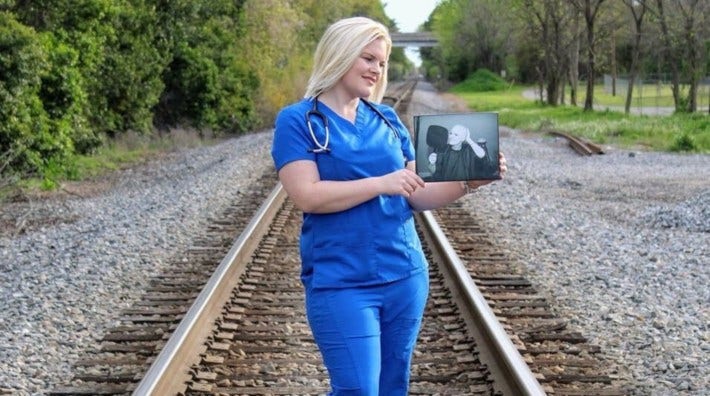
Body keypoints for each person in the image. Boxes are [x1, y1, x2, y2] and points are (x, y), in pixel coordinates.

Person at [270, 16, 507, 396]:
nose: (376, 69)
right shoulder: (297, 121)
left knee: (391, 387)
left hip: (404, 275)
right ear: (340, 53)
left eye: (380, 62)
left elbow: (417, 192)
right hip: (342, 282)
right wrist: (382, 183)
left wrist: (468, 183)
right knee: (357, 389)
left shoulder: (386, 119)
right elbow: (307, 195)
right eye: (368, 58)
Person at [427, 124, 496, 181]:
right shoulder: (442, 150)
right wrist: (432, 163)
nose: (451, 136)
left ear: (463, 138)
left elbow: (482, 155)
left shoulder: (468, 149)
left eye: (456, 135)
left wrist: (468, 139)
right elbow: (435, 172)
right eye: (450, 133)